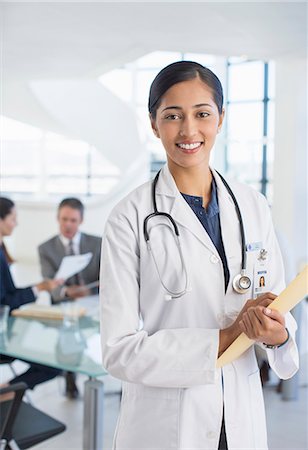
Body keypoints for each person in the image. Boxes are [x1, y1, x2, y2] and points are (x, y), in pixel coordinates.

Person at [100, 61, 299, 450]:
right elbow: (118, 350)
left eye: (202, 114)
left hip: (240, 415)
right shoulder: (129, 217)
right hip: (166, 423)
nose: (189, 130)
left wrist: (277, 335)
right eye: (172, 116)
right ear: (155, 124)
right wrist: (227, 336)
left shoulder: (253, 205)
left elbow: (277, 305)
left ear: (221, 119)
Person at [38, 197, 101, 398]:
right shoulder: (46, 248)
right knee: (66, 335)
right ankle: (69, 375)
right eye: (64, 219)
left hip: (93, 301)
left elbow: (107, 277)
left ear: (81, 221)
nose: (67, 225)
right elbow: (48, 282)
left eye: (73, 220)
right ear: (58, 218)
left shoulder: (97, 243)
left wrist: (89, 291)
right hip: (64, 304)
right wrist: (66, 292)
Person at [0, 197, 63, 391]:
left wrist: (40, 286)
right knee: (53, 364)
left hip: (7, 329)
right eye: (12, 218)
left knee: (52, 351)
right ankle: (7, 393)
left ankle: (7, 391)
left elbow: (8, 293)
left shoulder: (2, 249)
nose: (16, 223)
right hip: (3, 336)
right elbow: (4, 303)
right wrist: (39, 289)